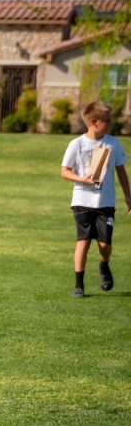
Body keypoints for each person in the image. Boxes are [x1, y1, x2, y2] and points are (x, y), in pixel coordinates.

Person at [60, 101, 131, 298]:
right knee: (83, 241)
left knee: (105, 244)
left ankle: (103, 264)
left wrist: (128, 198)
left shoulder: (113, 143)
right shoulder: (77, 144)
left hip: (105, 202)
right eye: (107, 120)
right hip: (82, 200)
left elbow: (121, 172)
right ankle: (79, 284)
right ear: (93, 122)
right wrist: (82, 179)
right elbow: (64, 171)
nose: (111, 124)